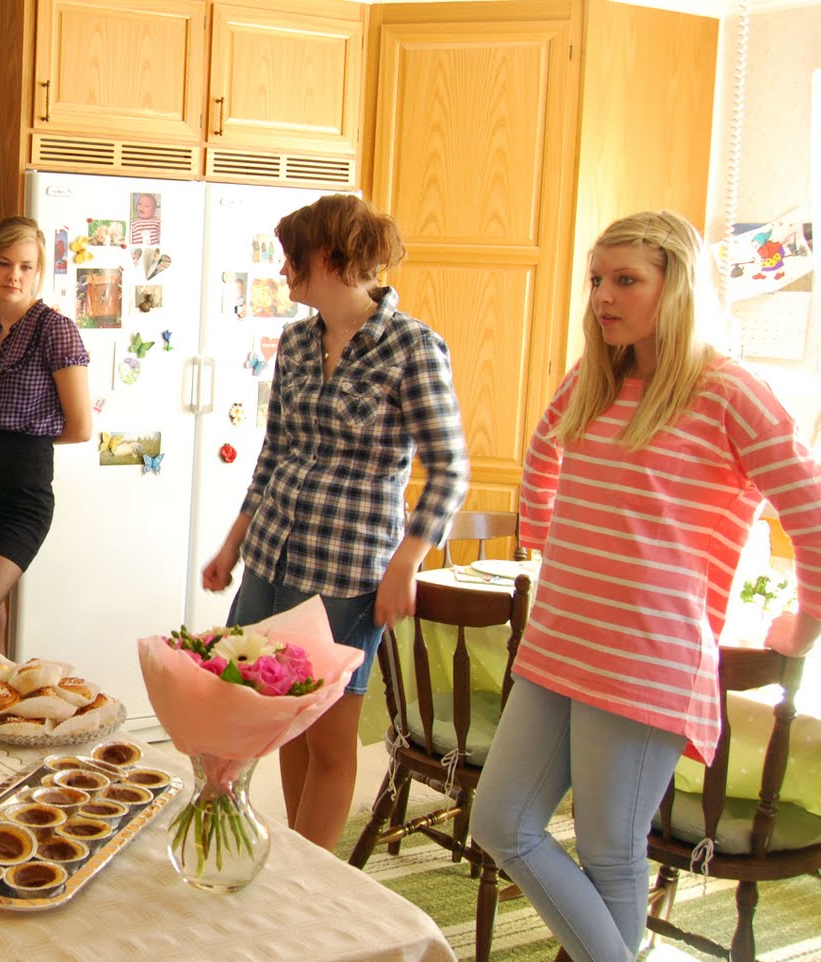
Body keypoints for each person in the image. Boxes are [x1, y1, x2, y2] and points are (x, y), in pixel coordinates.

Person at [471, 211, 820, 962]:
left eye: (626, 280)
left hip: (644, 656)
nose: (602, 296)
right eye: (597, 279)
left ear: (679, 286)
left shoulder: (730, 390)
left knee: (609, 852)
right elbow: (543, 453)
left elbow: (812, 511)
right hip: (560, 641)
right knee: (499, 823)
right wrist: (549, 535)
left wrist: (806, 622)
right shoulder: (597, 377)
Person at [200, 193, 468, 850]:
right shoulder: (295, 342)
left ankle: (310, 887)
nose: (282, 270)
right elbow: (275, 453)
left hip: (347, 572)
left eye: (290, 257)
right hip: (271, 559)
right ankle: (293, 857)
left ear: (327, 256)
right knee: (279, 722)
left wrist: (406, 563)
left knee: (328, 740)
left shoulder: (412, 347)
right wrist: (233, 544)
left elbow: (450, 469)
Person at [0, 216, 93, 651]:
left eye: (26, 266)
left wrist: (23, 439)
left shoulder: (55, 330)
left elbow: (81, 427)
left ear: (38, 271)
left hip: (22, 494)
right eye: (4, 263)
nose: (14, 275)